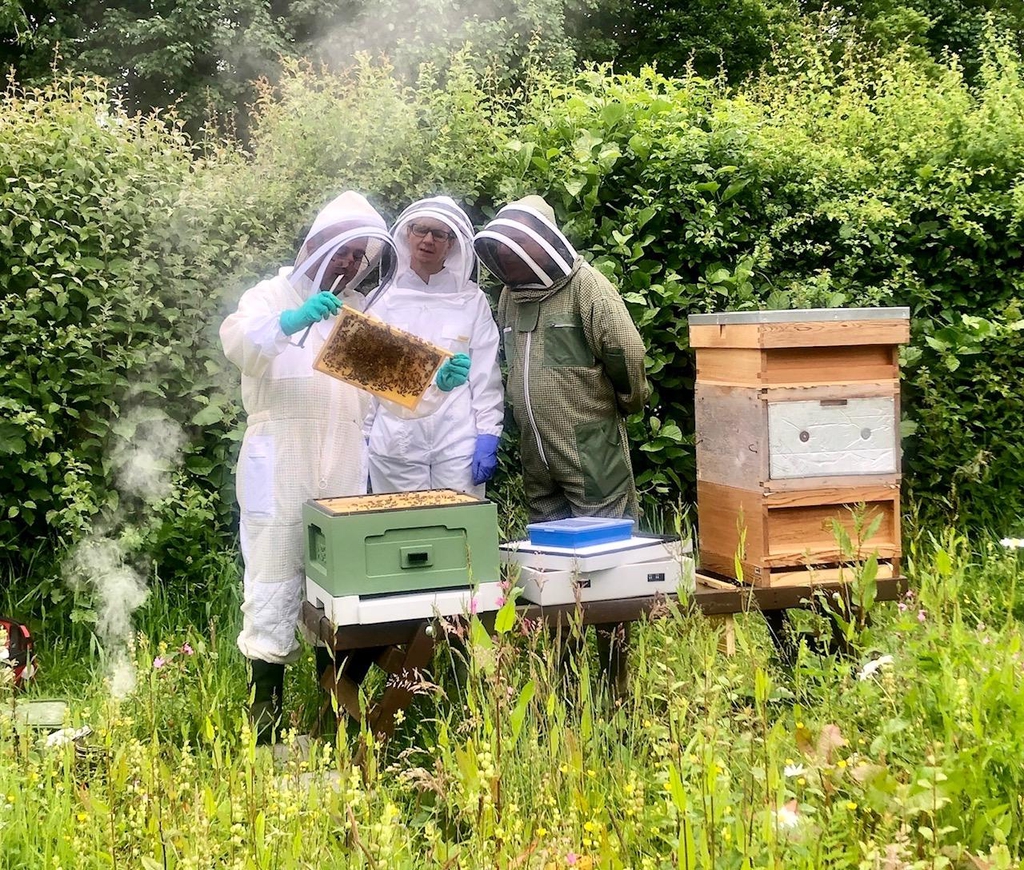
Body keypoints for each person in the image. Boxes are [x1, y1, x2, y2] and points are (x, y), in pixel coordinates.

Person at [220, 191, 474, 742]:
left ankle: (330, 727)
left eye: (360, 255)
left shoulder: (350, 319)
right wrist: (289, 320)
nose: (350, 262)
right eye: (343, 251)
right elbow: (238, 342)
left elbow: (400, 391)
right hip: (278, 464)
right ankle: (263, 739)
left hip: (340, 466)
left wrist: (437, 383)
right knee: (271, 588)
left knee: (334, 598)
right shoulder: (268, 296)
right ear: (315, 244)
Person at [474, 195, 650, 696]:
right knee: (549, 568)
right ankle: (567, 683)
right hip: (537, 453)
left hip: (589, 446)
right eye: (508, 250)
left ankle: (615, 687)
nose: (512, 259)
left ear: (545, 241)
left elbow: (626, 352)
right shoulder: (511, 297)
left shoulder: (587, 287)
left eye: (522, 246)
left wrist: (626, 402)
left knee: (608, 564)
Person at [366, 196, 503, 498]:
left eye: (439, 234)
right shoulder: (381, 299)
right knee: (399, 535)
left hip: (457, 438)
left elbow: (485, 375)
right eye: (421, 230)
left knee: (458, 533)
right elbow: (368, 379)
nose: (428, 240)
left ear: (452, 243)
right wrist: (362, 435)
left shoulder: (471, 300)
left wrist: (488, 433)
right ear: (406, 233)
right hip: (395, 438)